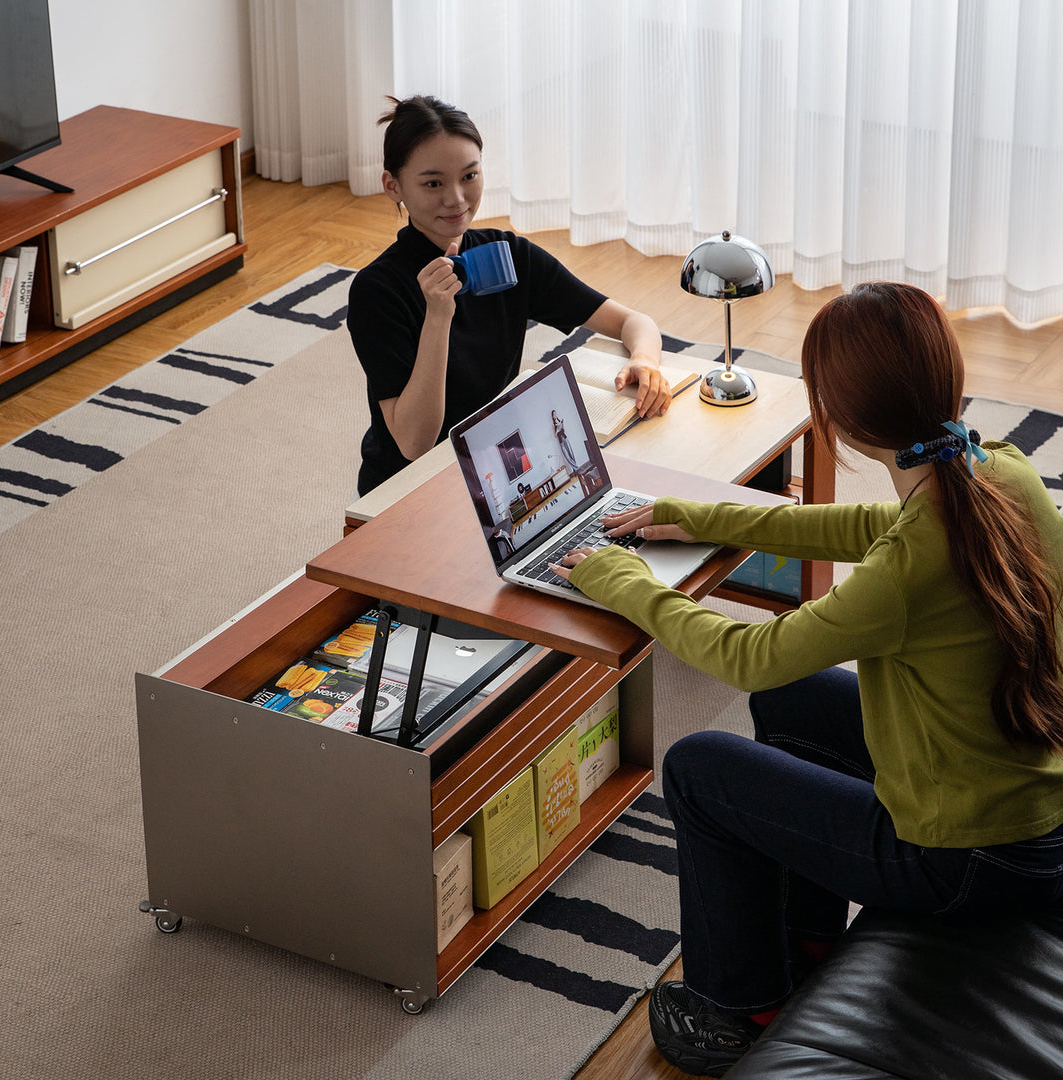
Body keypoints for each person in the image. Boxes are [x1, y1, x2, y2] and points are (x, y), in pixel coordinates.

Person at [551, 281, 1063, 1076]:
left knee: (699, 770)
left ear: (847, 423)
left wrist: (621, 580)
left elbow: (744, 652)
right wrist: (704, 514)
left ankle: (736, 1006)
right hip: (1027, 815)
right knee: (792, 701)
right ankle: (809, 936)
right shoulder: (999, 471)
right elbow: (873, 527)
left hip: (962, 861)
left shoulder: (905, 574)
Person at [347, 94, 671, 496]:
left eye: (469, 176)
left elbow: (632, 322)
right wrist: (438, 316)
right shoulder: (377, 290)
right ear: (393, 186)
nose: (457, 199)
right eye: (433, 183)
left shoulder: (506, 255)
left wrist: (644, 360)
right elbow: (415, 444)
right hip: (409, 489)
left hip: (499, 472)